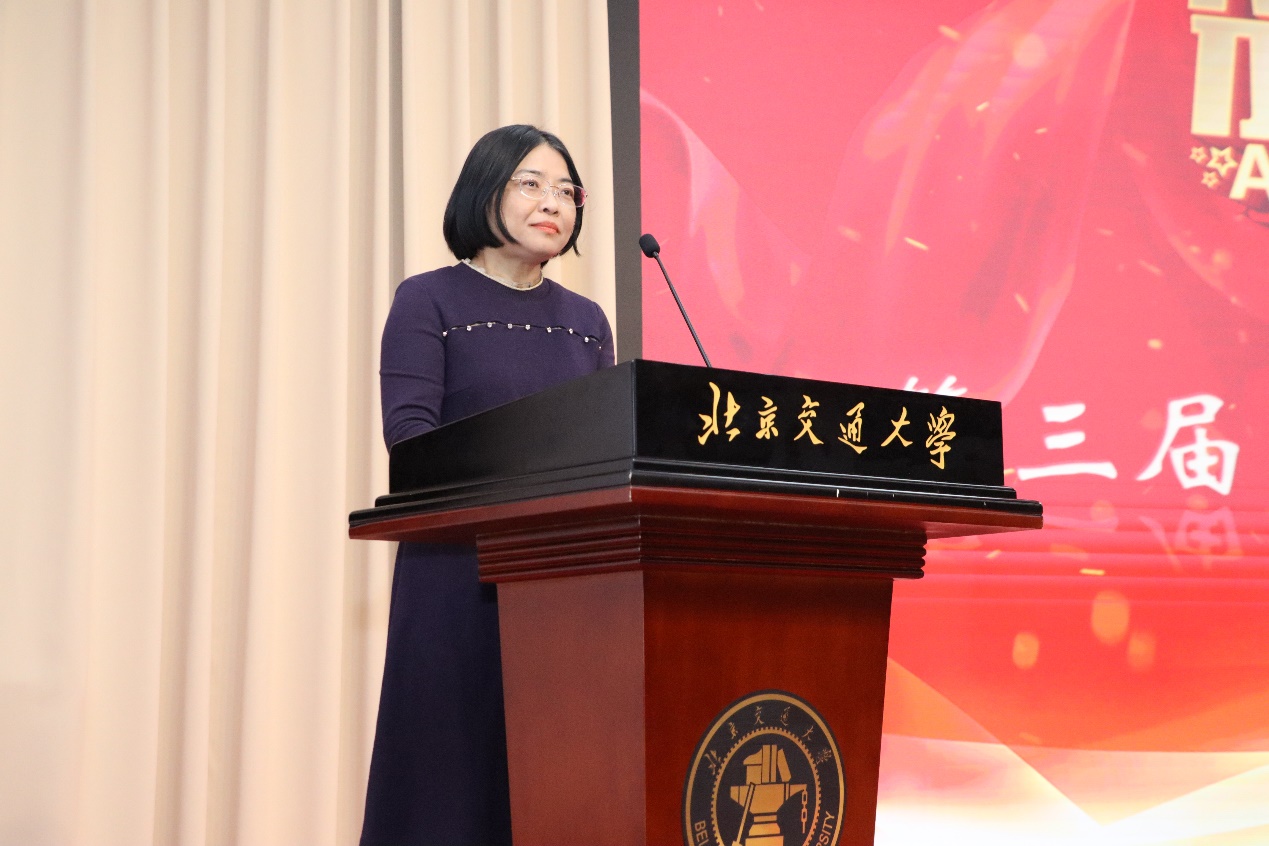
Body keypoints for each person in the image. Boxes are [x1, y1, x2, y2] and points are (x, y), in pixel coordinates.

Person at [360, 125, 614, 846]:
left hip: (564, 581)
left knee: (551, 775)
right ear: (484, 190)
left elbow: (605, 448)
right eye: (531, 184)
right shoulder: (428, 300)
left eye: (565, 190)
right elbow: (411, 438)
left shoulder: (586, 322)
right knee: (447, 778)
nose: (552, 203)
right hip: (455, 573)